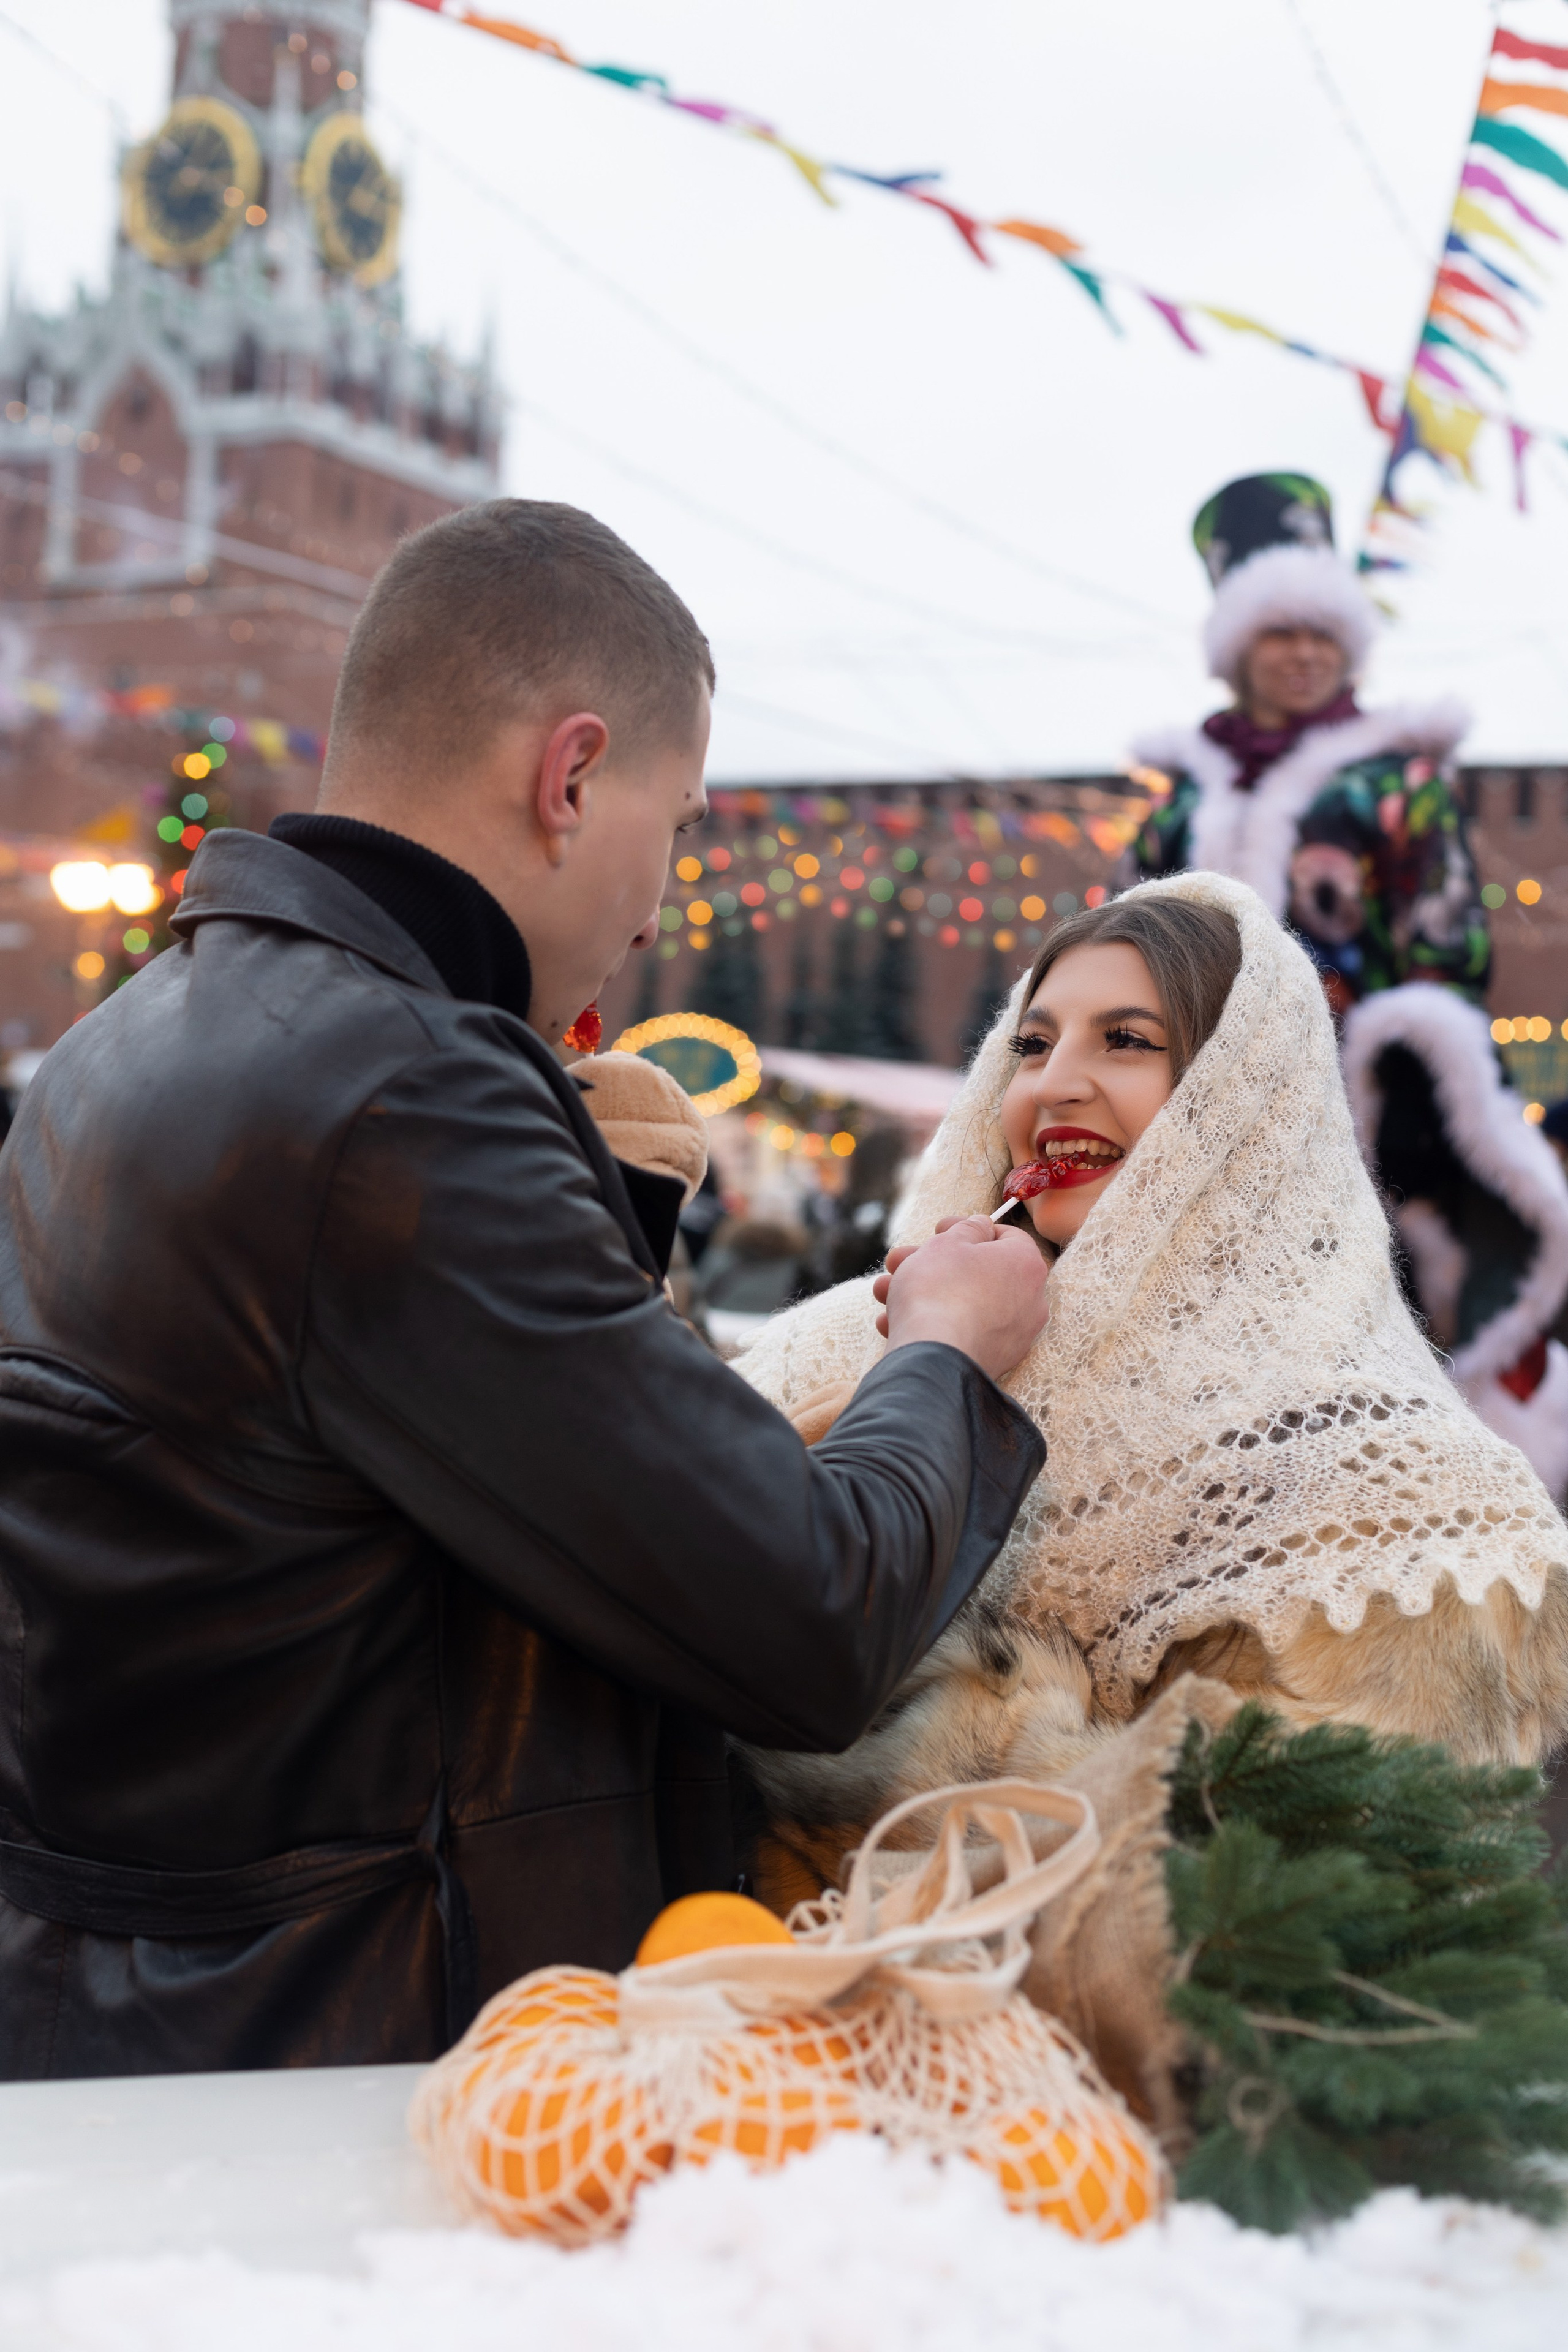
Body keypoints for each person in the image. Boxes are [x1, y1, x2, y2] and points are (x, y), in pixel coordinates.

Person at [0, 500, 1052, 2079]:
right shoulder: (406, 1097)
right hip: (342, 2061)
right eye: (674, 823)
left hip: (131, 2024)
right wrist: (950, 1357)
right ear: (569, 776)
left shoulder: (127, 1039)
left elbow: (349, 1505)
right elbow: (806, 1615)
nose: (659, 905)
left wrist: (588, 1205)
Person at [731, 875, 1568, 1907]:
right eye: (1032, 1045)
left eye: (1126, 1041)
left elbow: (1297, 1897)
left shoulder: (1401, 1491)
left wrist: (912, 1714)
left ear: (1247, 1103)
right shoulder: (842, 1345)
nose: (1054, 1087)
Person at [1128, 472, 1568, 1494]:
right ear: (1238, 647)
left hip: (1365, 1112)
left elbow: (1447, 951)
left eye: (1324, 635)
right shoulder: (1179, 799)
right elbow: (1130, 947)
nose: (1305, 653)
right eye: (1281, 634)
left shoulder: (1397, 781)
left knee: (1385, 1329)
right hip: (1199, 1110)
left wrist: (1403, 1073)